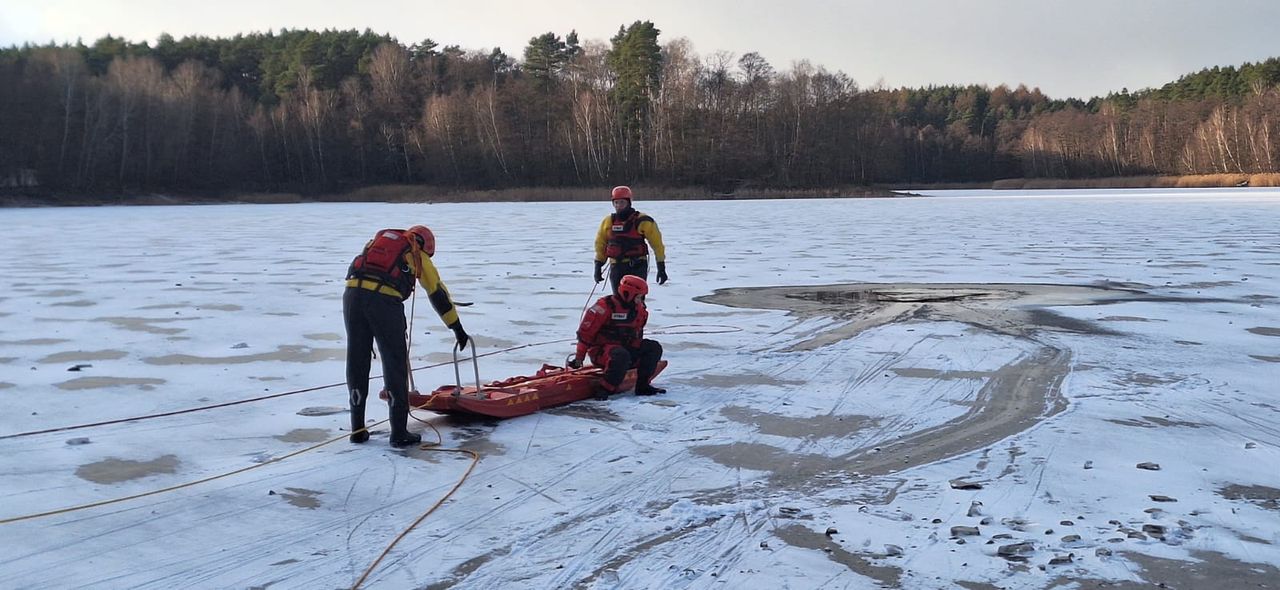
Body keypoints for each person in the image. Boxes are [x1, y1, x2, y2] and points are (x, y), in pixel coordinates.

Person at [344, 225, 469, 447]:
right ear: (427, 246)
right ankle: (399, 433)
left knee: (357, 359)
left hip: (352, 296)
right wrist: (457, 327)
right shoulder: (416, 253)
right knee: (394, 363)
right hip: (383, 302)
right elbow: (437, 293)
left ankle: (358, 429)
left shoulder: (376, 244)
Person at [569, 275, 665, 399]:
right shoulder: (603, 307)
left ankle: (643, 386)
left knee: (653, 347)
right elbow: (585, 335)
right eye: (639, 297)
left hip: (626, 347)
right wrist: (579, 358)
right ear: (628, 294)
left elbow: (638, 333)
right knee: (620, 355)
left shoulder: (639, 310)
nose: (641, 300)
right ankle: (605, 389)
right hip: (602, 351)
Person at [593, 185, 668, 294]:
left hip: (637, 266)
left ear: (629, 202)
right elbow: (600, 244)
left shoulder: (643, 220)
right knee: (618, 302)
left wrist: (661, 267)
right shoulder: (608, 221)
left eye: (622, 202)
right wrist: (598, 266)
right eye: (616, 203)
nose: (619, 206)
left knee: (636, 301)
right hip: (617, 267)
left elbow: (657, 245)